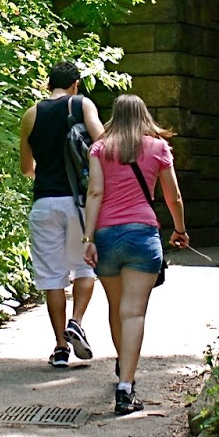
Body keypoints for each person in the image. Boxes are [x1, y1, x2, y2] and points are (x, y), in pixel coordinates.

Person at [81, 94, 188, 414]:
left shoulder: (100, 149)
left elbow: (94, 192)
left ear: (115, 116)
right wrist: (180, 229)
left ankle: (122, 365)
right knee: (134, 313)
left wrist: (88, 238)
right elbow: (173, 196)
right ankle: (126, 388)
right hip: (142, 236)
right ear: (144, 116)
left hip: (106, 237)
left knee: (116, 309)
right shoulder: (158, 148)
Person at [18, 62, 103, 367]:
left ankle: (60, 348)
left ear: (48, 84)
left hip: (44, 203)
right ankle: (76, 322)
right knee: (84, 267)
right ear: (76, 84)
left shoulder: (31, 114)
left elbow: (26, 168)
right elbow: (102, 144)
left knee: (52, 277)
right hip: (79, 201)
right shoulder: (81, 104)